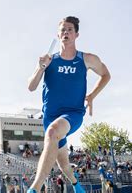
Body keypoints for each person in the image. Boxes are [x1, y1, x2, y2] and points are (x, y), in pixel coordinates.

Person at [26, 16, 111, 193]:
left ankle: (34, 189)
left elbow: (106, 75)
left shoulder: (86, 59)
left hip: (72, 114)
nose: (66, 32)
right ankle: (76, 185)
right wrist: (40, 67)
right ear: (58, 35)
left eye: (70, 29)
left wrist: (92, 95)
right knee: (63, 163)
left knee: (52, 132)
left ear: (76, 34)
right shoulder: (48, 61)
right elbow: (31, 87)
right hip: (50, 116)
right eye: (63, 30)